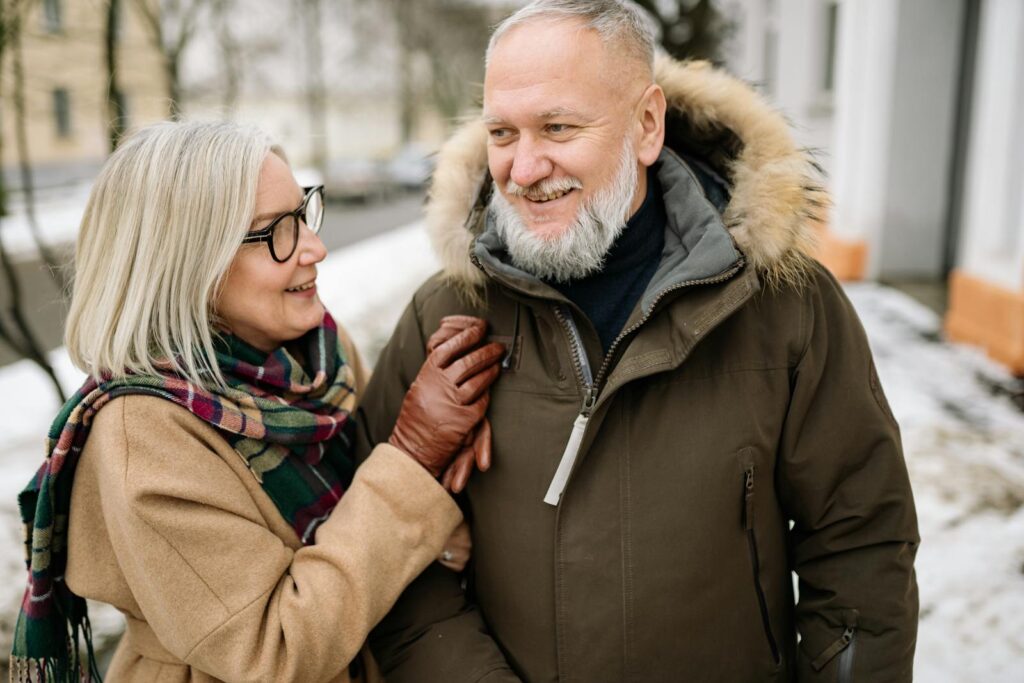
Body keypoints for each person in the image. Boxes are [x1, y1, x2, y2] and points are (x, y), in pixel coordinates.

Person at [355, 1, 920, 681]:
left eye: (558, 126)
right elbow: (393, 564)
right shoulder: (445, 316)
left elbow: (861, 549)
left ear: (646, 125)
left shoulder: (786, 308)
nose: (525, 167)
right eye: (502, 132)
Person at [10, 120, 504, 682]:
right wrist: (414, 457)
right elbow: (274, 652)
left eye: (304, 213)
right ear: (189, 266)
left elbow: (375, 491)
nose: (315, 247)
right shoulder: (143, 433)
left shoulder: (317, 356)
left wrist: (448, 451)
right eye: (275, 232)